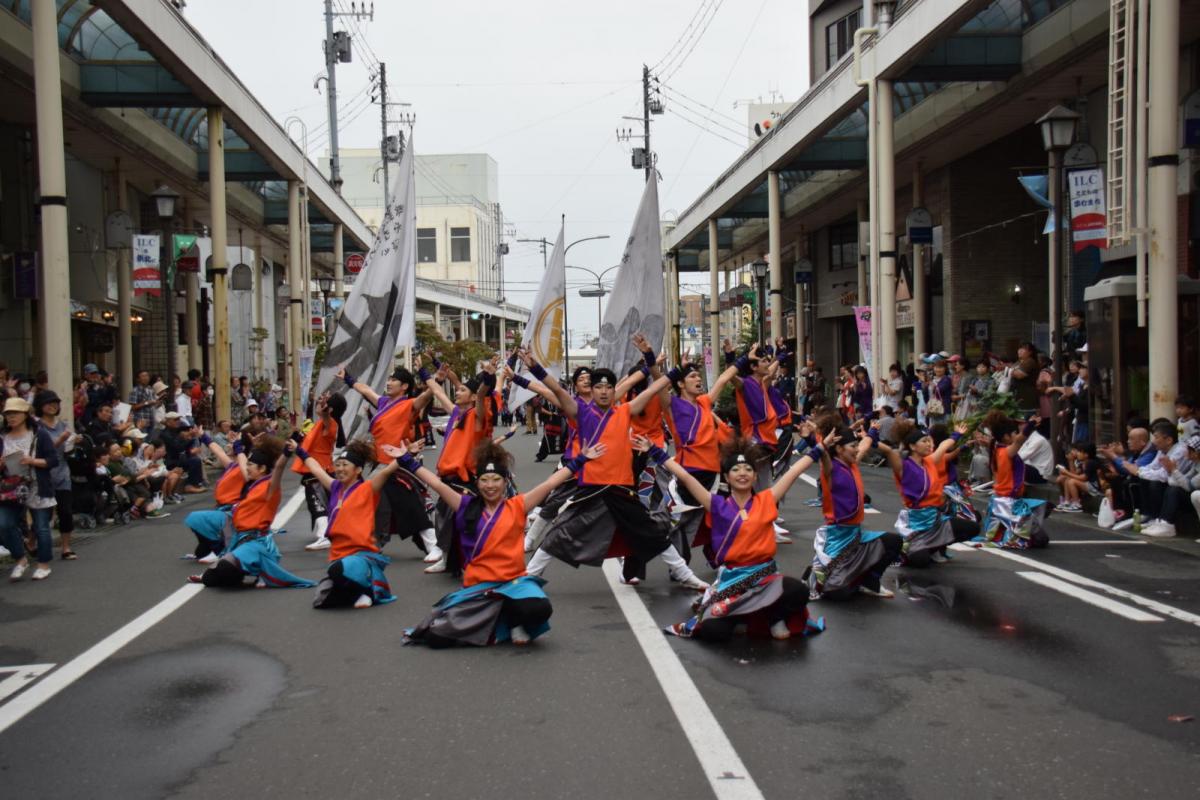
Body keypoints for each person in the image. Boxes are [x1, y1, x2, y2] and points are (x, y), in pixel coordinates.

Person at [522, 342, 708, 590]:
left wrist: (671, 368)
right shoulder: (581, 412)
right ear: (593, 390)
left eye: (608, 387)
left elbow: (654, 388)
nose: (603, 391)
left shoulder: (625, 411)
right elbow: (556, 388)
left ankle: (684, 574)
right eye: (598, 387)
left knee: (652, 532)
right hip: (592, 489)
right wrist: (535, 368)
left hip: (621, 488)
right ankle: (527, 575)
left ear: (614, 391)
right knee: (559, 533)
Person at [404, 440, 604, 647]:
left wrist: (581, 459)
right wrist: (405, 460)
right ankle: (499, 625)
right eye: (484, 480)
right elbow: (437, 484)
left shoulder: (518, 505)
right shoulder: (465, 506)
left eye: (496, 479)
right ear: (477, 482)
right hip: (479, 588)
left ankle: (514, 621)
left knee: (539, 608)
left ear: (505, 481)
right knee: (436, 637)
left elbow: (550, 484)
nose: (490, 486)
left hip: (513, 583)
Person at [650, 433, 823, 641]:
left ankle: (775, 618)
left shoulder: (766, 500)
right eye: (736, 469)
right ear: (726, 477)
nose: (742, 473)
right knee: (713, 632)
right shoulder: (717, 505)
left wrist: (819, 448)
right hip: (733, 581)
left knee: (798, 591)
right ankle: (741, 618)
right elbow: (686, 478)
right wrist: (655, 451)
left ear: (755, 476)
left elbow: (794, 471)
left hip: (765, 577)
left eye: (748, 469)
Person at [337, 363, 438, 557]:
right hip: (381, 464)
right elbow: (365, 390)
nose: (389, 383)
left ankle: (433, 546)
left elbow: (427, 395)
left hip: (399, 464)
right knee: (376, 504)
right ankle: (370, 542)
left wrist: (433, 377)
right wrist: (348, 379)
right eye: (389, 379)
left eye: (394, 380)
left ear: (404, 386)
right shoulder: (383, 403)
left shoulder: (410, 405)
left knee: (408, 505)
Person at [188, 437, 314, 588]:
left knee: (224, 568)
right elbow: (242, 463)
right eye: (248, 464)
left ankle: (258, 569)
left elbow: (279, 468)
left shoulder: (270, 487)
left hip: (256, 542)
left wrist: (286, 453)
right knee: (210, 579)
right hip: (240, 538)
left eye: (250, 465)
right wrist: (238, 446)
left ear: (262, 468)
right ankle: (239, 569)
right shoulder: (252, 482)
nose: (246, 468)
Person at [294, 438, 400, 609]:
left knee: (339, 570)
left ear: (358, 470)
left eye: (345, 465)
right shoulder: (335, 487)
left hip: (360, 555)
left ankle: (367, 590)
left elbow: (386, 471)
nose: (340, 469)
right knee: (322, 600)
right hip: (338, 555)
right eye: (338, 465)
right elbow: (316, 468)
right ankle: (354, 592)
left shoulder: (367, 489)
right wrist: (299, 451)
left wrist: (406, 456)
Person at [806, 422, 903, 598]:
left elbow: (864, 445)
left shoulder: (852, 464)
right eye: (853, 446)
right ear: (839, 449)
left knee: (894, 542)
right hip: (837, 537)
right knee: (838, 592)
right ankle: (824, 575)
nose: (857, 449)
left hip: (856, 534)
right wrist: (821, 444)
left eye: (856, 445)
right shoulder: (831, 469)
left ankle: (870, 581)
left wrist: (872, 431)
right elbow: (824, 458)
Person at [660, 358, 740, 559]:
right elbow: (659, 384)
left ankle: (687, 563)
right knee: (677, 520)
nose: (698, 379)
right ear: (680, 383)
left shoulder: (704, 402)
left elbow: (723, 379)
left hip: (712, 473)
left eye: (699, 375)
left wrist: (743, 359)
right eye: (692, 376)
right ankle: (659, 556)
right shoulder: (672, 404)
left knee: (700, 520)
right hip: (689, 473)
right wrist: (656, 363)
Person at [423, 359, 498, 573]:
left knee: (455, 518)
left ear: (473, 397)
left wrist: (489, 377)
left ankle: (448, 554)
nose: (457, 392)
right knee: (445, 516)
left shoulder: (478, 416)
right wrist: (426, 373)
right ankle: (450, 558)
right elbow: (438, 391)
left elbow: (482, 395)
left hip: (465, 477)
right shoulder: (457, 413)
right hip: (447, 475)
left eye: (462, 390)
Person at [873, 419, 978, 566]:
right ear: (913, 446)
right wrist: (871, 436)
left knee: (973, 528)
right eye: (924, 441)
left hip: (936, 520)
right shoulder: (904, 467)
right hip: (916, 524)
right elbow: (889, 451)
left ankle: (935, 547)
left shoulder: (930, 461)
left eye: (929, 441)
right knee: (920, 561)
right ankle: (912, 548)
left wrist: (957, 434)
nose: (929, 444)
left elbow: (944, 446)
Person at [1, 397, 59, 581]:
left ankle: (44, 564)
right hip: (10, 488)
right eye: (8, 414)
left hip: (36, 485)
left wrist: (32, 461)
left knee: (41, 527)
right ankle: (20, 559)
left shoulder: (39, 434)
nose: (11, 417)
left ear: (25, 414)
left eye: (15, 413)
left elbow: (53, 460)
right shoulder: (2, 437)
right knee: (4, 524)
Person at [975, 411, 1049, 549]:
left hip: (1002, 499)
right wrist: (1030, 425)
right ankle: (1009, 534)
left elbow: (1001, 441)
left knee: (1040, 525)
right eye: (1014, 433)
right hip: (1008, 502)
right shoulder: (1007, 452)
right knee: (1040, 539)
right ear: (1006, 436)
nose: (1016, 435)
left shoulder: (997, 449)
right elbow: (1020, 440)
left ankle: (1006, 531)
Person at [183, 429, 251, 563]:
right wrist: (203, 436)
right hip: (221, 508)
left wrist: (239, 446)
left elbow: (243, 460)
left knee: (195, 518)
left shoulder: (246, 468)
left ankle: (218, 549)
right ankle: (210, 548)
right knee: (200, 551)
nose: (228, 445)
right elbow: (218, 451)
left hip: (232, 511)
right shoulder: (232, 465)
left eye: (232, 443)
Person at [292, 393, 346, 552]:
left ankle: (323, 535)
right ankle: (330, 531)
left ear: (330, 409)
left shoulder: (330, 423)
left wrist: (325, 412)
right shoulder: (323, 422)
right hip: (318, 467)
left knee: (317, 502)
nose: (320, 403)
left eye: (325, 402)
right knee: (323, 502)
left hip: (319, 468)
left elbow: (327, 418)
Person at [33, 391, 78, 560]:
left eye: (55, 403)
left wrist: (73, 443)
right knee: (43, 513)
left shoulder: (63, 425)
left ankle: (66, 547)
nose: (53, 406)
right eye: (48, 403)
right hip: (43, 475)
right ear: (40, 405)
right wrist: (60, 439)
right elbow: (42, 451)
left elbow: (67, 450)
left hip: (62, 473)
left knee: (65, 511)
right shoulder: (36, 426)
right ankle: (31, 541)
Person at [1054, 442, 1100, 512]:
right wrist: (1071, 461)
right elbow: (1074, 474)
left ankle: (1077, 504)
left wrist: (1066, 472)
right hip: (1086, 484)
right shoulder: (1082, 463)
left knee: (1072, 481)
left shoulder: (1090, 463)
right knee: (1068, 479)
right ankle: (1067, 502)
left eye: (1079, 452)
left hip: (1093, 487)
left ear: (1086, 455)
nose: (1077, 453)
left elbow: (1083, 478)